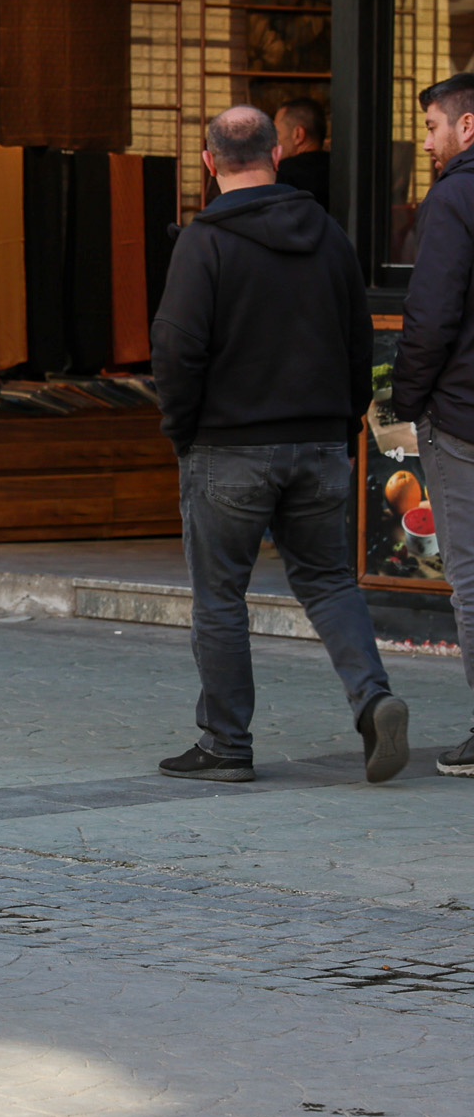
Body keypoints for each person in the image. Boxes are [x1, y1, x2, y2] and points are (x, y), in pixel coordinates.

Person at [152, 106, 403, 783]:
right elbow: (360, 342)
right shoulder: (328, 234)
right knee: (329, 582)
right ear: (277, 153)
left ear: (208, 162)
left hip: (229, 445)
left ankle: (226, 743)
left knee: (221, 595)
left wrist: (182, 429)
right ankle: (373, 697)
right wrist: (343, 424)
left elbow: (177, 348)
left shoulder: (204, 242)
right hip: (319, 441)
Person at [392, 72, 474, 778]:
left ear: (466, 127)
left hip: (463, 416)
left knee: (472, 575)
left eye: (432, 127)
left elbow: (432, 315)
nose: (427, 141)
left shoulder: (452, 200)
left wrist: (407, 399)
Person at [274, 98, 332, 211]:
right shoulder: (341, 170)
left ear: (298, 135)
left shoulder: (283, 175)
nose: (274, 141)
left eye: (277, 133)